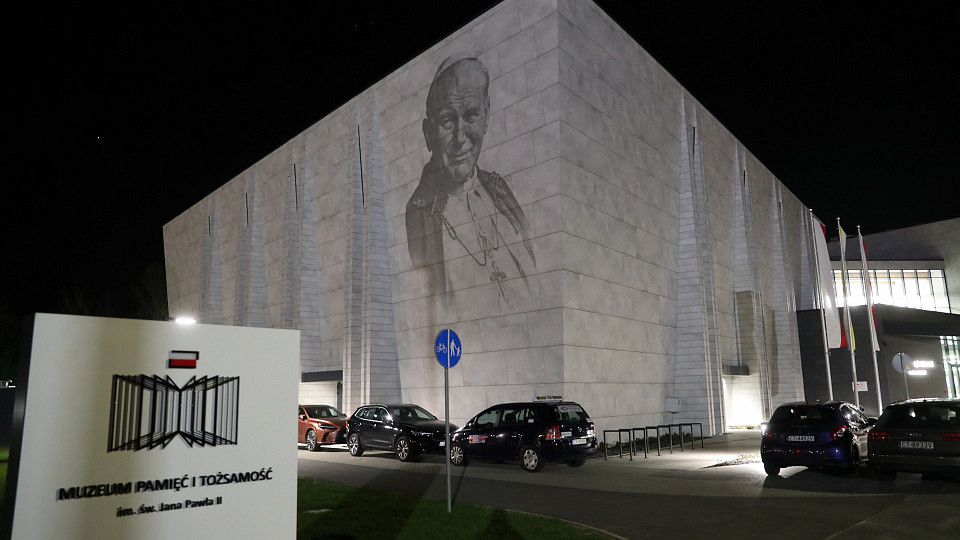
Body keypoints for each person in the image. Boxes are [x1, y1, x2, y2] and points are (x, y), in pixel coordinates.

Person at [405, 55, 535, 302]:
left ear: (486, 115)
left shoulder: (498, 189)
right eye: (447, 120)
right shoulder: (421, 214)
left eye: (471, 115)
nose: (460, 138)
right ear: (428, 133)